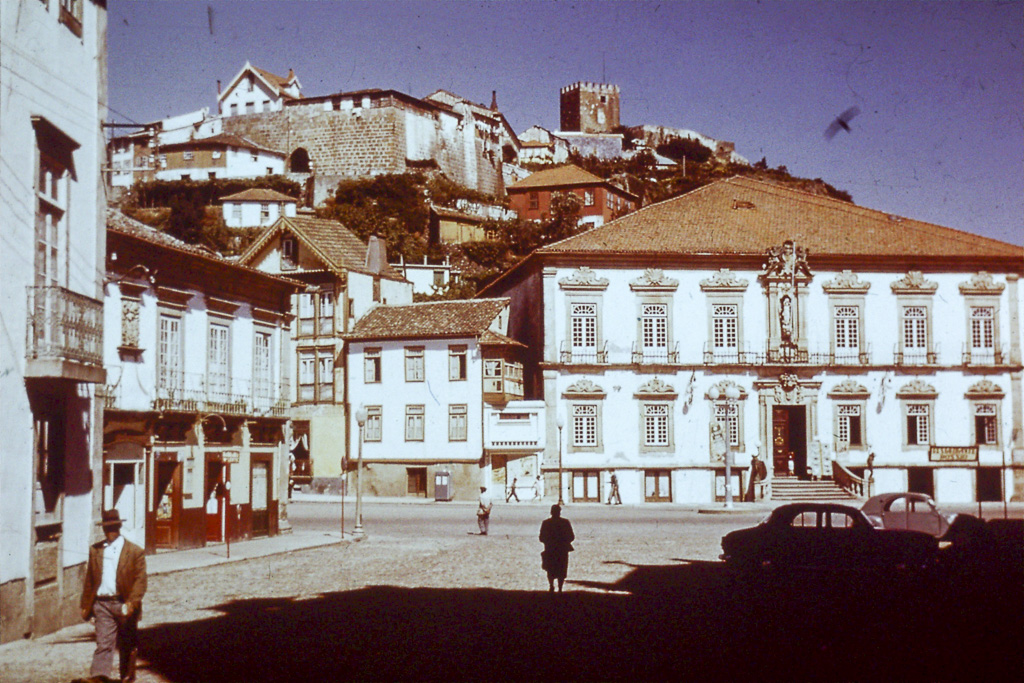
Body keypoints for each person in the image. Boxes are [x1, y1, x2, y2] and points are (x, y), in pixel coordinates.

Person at [81, 509, 147, 683]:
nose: (110, 532)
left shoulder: (134, 552)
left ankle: (127, 675)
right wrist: (85, 605)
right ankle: (100, 677)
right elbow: (90, 580)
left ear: (119, 527)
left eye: (113, 527)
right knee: (104, 643)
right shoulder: (96, 550)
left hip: (123, 603)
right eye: (106, 528)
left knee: (126, 644)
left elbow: (140, 582)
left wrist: (131, 603)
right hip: (102, 604)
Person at [539, 504, 575, 592]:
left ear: (551, 512)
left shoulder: (546, 523)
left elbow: (541, 537)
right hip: (562, 550)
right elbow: (571, 536)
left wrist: (548, 542)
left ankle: (551, 585)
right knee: (561, 569)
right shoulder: (565, 522)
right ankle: (560, 588)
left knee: (550, 569)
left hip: (550, 549)